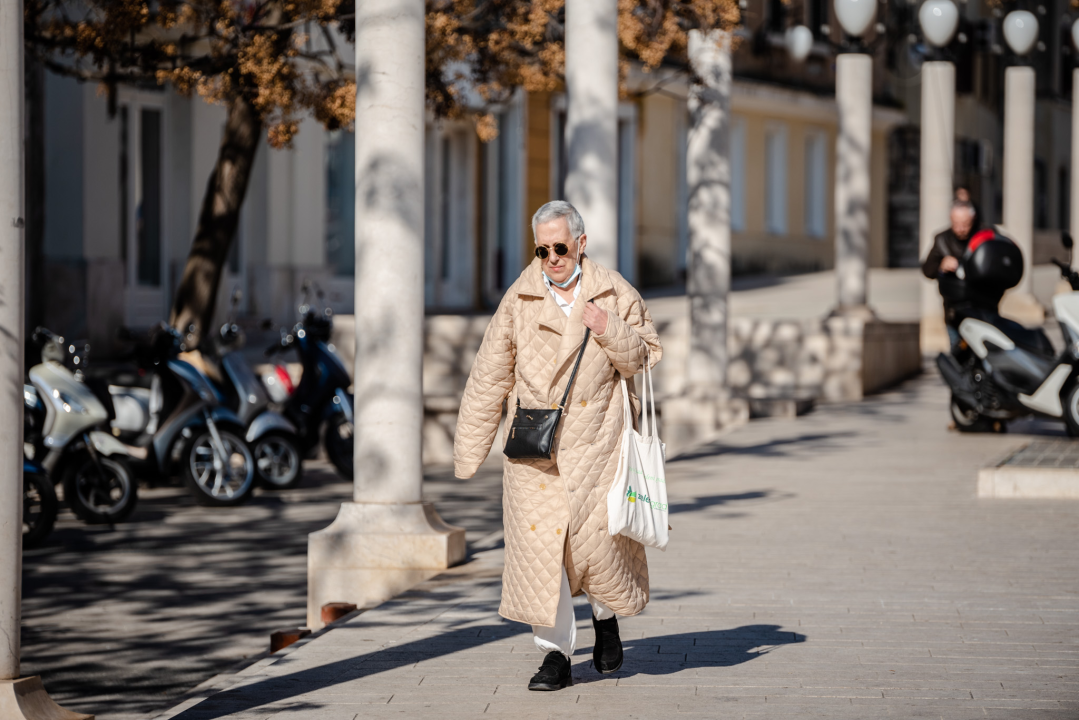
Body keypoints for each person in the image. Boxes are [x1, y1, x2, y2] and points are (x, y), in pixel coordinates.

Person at [453, 200, 662, 692]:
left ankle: (605, 620)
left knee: (597, 548)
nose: (551, 257)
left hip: (598, 446)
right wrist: (469, 449)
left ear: (581, 244)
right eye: (542, 248)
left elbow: (647, 354)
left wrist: (608, 327)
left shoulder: (614, 291)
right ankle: (555, 658)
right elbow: (489, 376)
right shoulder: (519, 299)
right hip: (534, 448)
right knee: (539, 552)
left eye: (560, 247)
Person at [922, 197, 979, 348]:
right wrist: (942, 265)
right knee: (957, 351)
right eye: (956, 224)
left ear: (973, 219)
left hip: (981, 307)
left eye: (965, 224)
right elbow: (927, 269)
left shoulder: (983, 236)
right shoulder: (942, 239)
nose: (960, 229)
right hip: (954, 309)